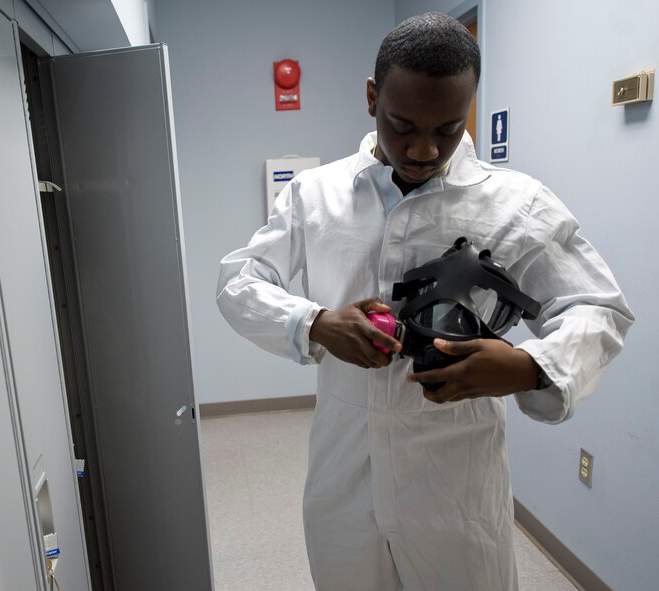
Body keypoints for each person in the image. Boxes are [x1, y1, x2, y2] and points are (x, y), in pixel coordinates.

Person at [216, 11, 633, 591]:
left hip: (455, 482)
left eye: (446, 128)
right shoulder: (317, 195)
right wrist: (314, 323)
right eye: (402, 123)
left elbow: (599, 308)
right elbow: (238, 279)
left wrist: (527, 365)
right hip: (345, 469)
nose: (422, 147)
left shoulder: (516, 205)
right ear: (371, 99)